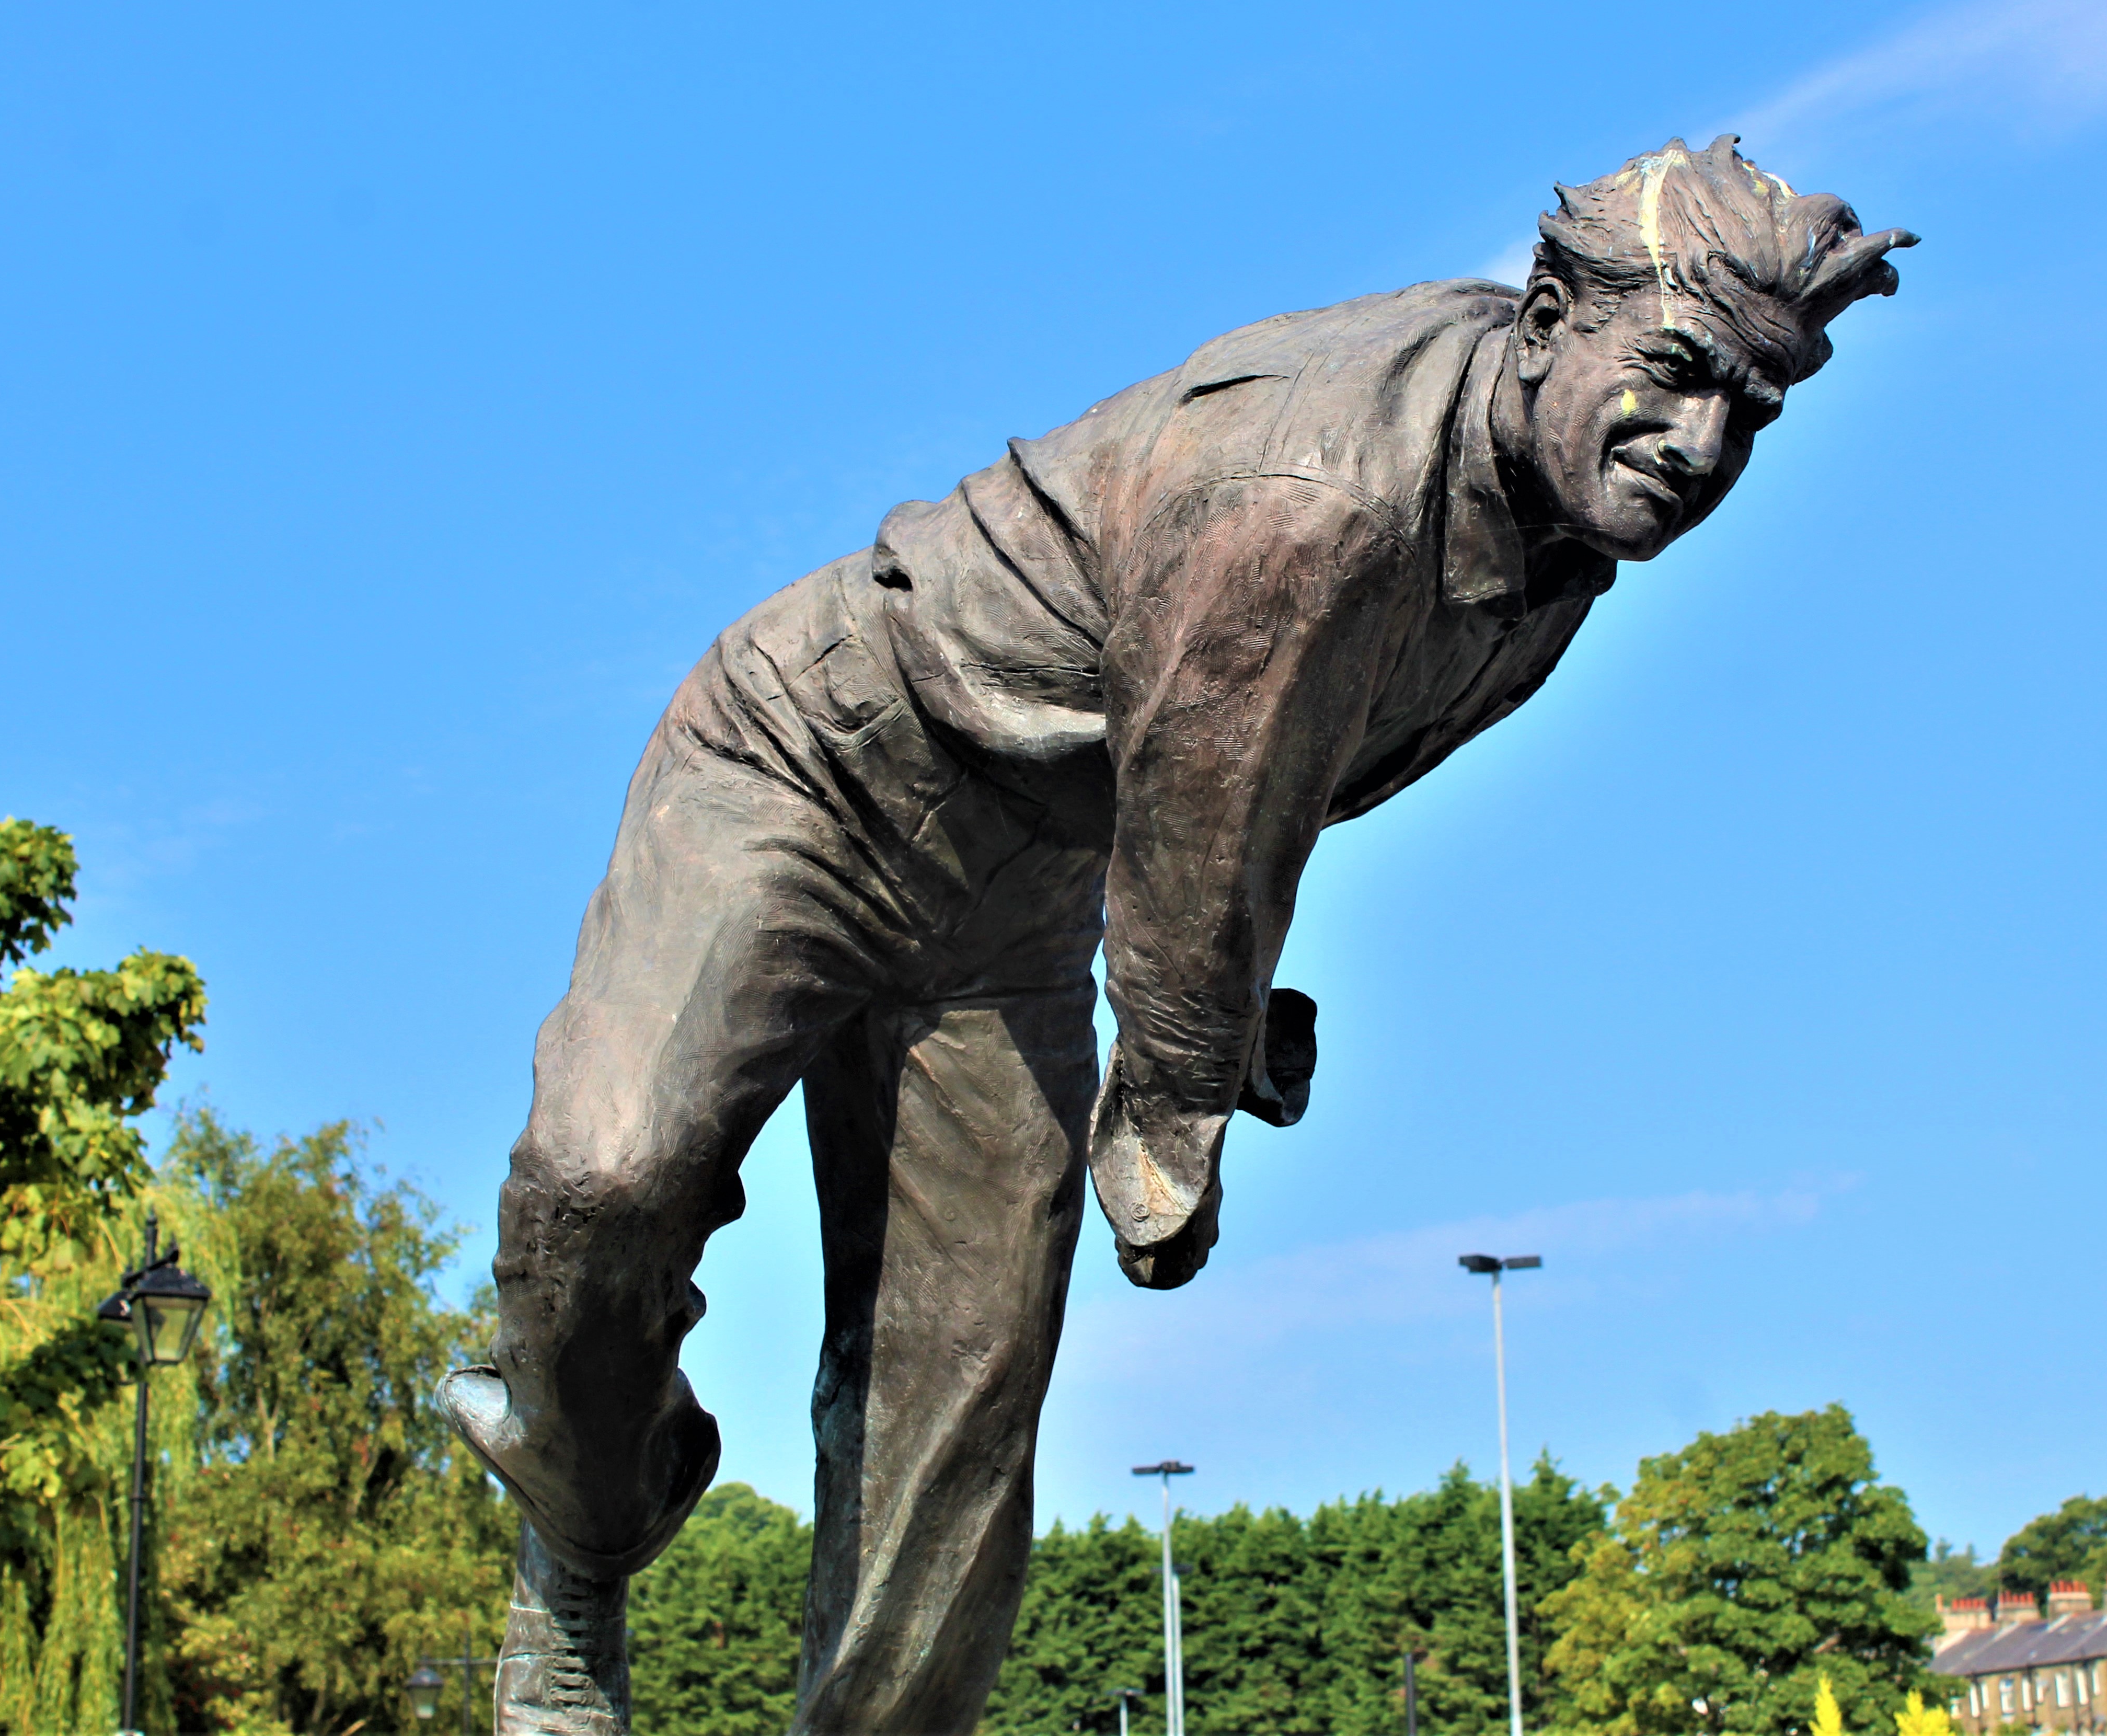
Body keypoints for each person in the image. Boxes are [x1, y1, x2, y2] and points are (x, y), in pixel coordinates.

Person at [441, 134, 1914, 1736]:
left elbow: (1257, 780)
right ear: (1552, 315)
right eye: (1680, 374)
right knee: (604, 1182)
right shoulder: (1319, 497)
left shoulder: (1553, 548)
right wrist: (1179, 1099)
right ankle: (580, 1553)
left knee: (960, 1418)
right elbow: (1217, 794)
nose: (1699, 446)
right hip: (815, 767)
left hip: (1017, 909)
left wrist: (1208, 1009)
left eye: (1749, 416)